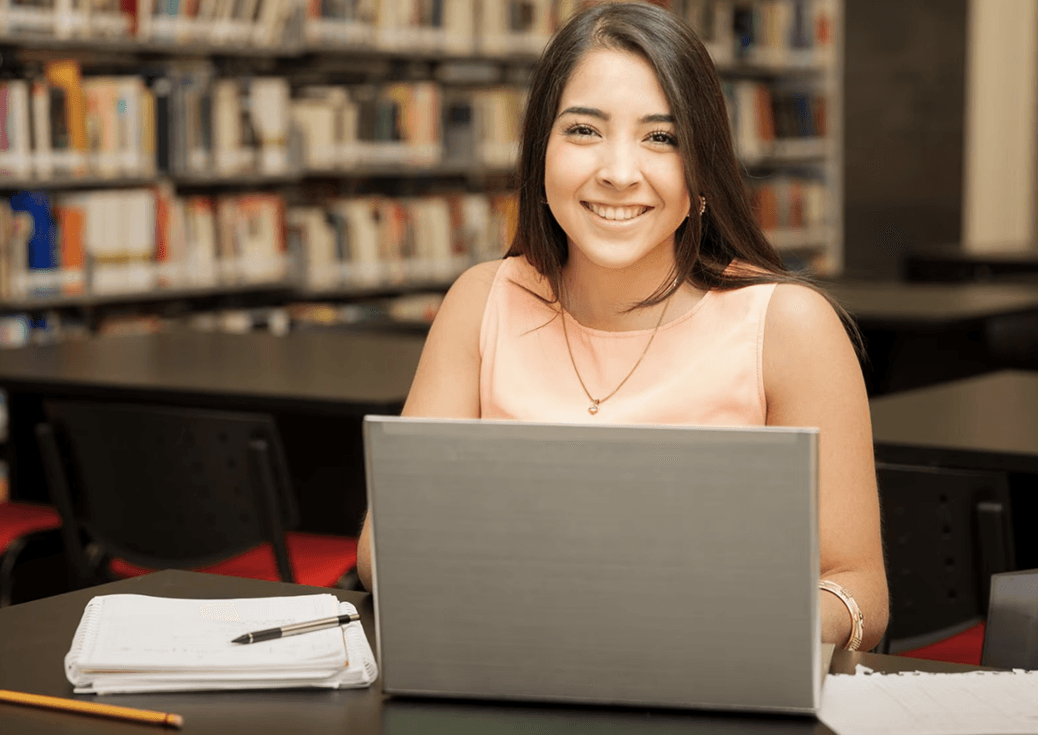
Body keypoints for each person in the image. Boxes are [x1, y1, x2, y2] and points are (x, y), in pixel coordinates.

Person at [357, 0, 888, 652]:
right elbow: (383, 547)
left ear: (702, 179)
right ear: (539, 154)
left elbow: (856, 583)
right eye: (583, 131)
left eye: (661, 138)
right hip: (509, 668)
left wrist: (778, 627)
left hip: (713, 675)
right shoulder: (480, 301)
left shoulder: (790, 328)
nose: (617, 171)